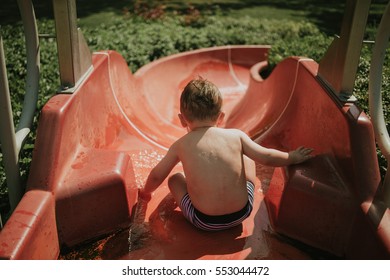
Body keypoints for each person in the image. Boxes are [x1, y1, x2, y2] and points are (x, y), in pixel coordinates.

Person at [139, 78, 313, 231]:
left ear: (182, 119)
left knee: (175, 179)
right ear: (220, 116)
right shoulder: (236, 136)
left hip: (203, 220)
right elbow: (266, 157)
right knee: (247, 159)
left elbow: (157, 175)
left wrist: (146, 192)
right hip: (242, 213)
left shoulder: (181, 145)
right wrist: (291, 157)